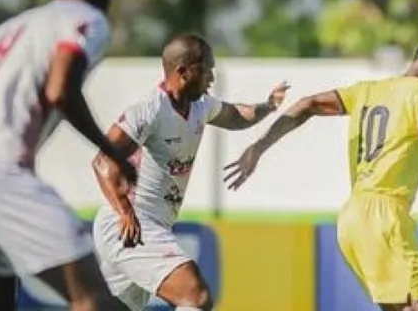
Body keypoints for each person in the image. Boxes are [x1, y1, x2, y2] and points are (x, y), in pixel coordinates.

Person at [223, 41, 418, 311]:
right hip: (387, 216)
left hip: (351, 220)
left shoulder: (368, 90)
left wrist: (259, 146)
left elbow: (307, 104)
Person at [0, 0, 137, 311]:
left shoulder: (13, 25)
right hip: (1, 174)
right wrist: (116, 156)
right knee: (93, 299)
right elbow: (60, 90)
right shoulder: (87, 18)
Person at [91, 33, 290, 311]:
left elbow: (237, 116)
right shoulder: (149, 111)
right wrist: (126, 212)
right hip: (131, 225)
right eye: (207, 69)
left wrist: (268, 106)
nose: (212, 77)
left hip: (149, 227)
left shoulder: (200, 106)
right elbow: (102, 162)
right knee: (195, 296)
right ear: (183, 71)